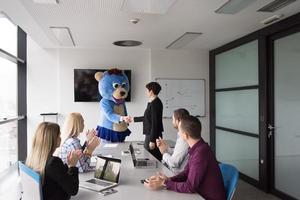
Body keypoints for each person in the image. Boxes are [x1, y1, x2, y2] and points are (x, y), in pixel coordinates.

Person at [144, 115, 226, 200]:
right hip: (200, 193)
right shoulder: (198, 147)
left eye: (179, 131)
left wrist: (164, 183)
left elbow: (190, 187)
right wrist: (169, 180)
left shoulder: (200, 153)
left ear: (185, 135)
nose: (178, 133)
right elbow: (186, 173)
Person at [26, 122, 82, 200]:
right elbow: (73, 190)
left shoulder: (33, 158)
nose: (60, 138)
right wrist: (73, 166)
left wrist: (68, 165)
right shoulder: (53, 162)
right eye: (59, 135)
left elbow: (57, 175)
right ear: (52, 140)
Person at [133, 82, 164, 161]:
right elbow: (147, 118)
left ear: (151, 91)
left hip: (152, 135)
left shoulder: (155, 104)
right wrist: (133, 119)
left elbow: (155, 123)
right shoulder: (152, 102)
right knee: (148, 157)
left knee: (151, 158)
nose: (146, 92)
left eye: (147, 90)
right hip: (150, 134)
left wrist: (152, 140)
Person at [156, 108, 190, 174]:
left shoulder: (184, 138)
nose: (172, 122)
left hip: (176, 175)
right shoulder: (181, 134)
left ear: (178, 121)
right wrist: (166, 148)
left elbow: (173, 163)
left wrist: (164, 153)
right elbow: (177, 153)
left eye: (173, 119)